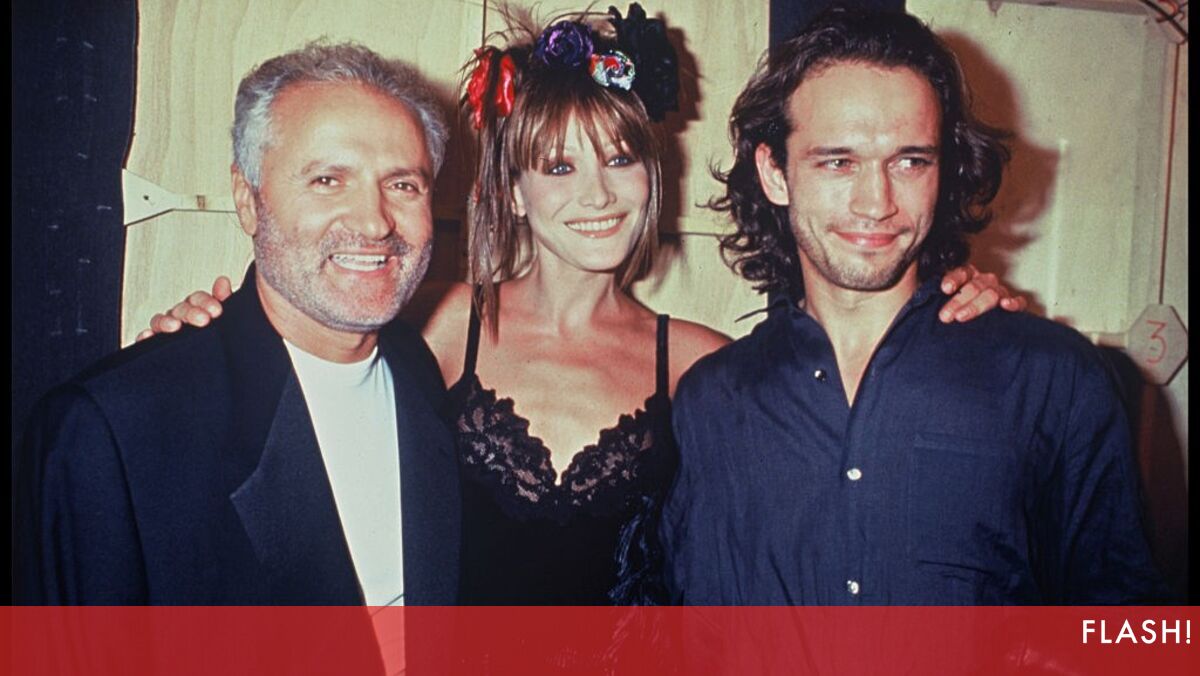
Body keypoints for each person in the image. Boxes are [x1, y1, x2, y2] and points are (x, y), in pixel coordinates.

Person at [140, 6, 1021, 605]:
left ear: (652, 175)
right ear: (513, 191)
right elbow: (296, 374)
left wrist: (959, 310)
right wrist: (212, 333)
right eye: (559, 166)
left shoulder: (706, 365)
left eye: (621, 160)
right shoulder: (433, 327)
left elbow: (844, 449)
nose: (597, 195)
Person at [661, 7, 1165, 604]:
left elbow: (1138, 632)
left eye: (909, 161)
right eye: (838, 162)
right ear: (774, 173)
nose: (877, 203)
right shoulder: (711, 402)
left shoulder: (1053, 379)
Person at [14, 41, 460, 607]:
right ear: (248, 200)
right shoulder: (109, 430)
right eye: (327, 180)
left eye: (403, 184)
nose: (375, 223)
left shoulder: (418, 372)